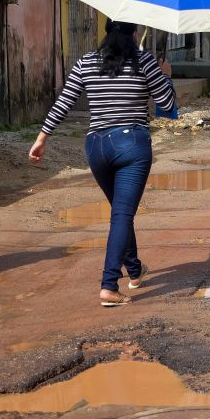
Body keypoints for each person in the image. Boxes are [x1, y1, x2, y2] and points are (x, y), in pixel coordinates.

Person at [28, 21, 176, 307]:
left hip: (96, 147)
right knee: (122, 215)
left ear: (106, 34)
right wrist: (166, 76)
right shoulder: (144, 60)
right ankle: (109, 285)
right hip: (131, 143)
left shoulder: (86, 61)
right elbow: (167, 105)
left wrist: (41, 137)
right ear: (134, 35)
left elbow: (65, 101)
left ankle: (134, 270)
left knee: (122, 211)